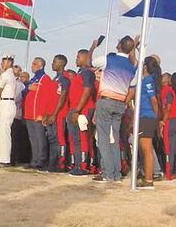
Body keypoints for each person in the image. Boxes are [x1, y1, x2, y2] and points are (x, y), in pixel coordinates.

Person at [90, 35, 139, 183]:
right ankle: (116, 173)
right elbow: (132, 88)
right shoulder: (132, 67)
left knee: (103, 139)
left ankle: (108, 173)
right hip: (120, 103)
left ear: (119, 46)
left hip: (106, 101)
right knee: (114, 139)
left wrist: (93, 47)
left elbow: (88, 62)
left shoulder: (109, 59)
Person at [66, 49, 96, 175]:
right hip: (74, 108)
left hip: (83, 108)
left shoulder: (87, 73)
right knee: (75, 138)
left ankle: (84, 166)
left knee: (83, 137)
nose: (76, 59)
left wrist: (78, 110)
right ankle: (77, 164)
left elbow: (87, 90)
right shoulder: (80, 72)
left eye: (78, 57)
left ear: (85, 58)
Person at [136, 56, 161, 190]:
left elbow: (154, 100)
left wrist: (155, 117)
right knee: (144, 148)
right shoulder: (144, 80)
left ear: (145, 67)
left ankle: (149, 180)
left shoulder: (148, 81)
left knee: (146, 149)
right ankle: (147, 177)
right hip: (143, 116)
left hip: (147, 116)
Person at [46, 54, 71, 172]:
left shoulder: (64, 79)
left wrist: (54, 114)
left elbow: (62, 97)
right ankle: (52, 163)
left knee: (59, 139)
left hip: (59, 114)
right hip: (51, 113)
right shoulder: (55, 79)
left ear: (61, 63)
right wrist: (47, 114)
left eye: (54, 62)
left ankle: (61, 164)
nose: (52, 64)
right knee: (52, 139)